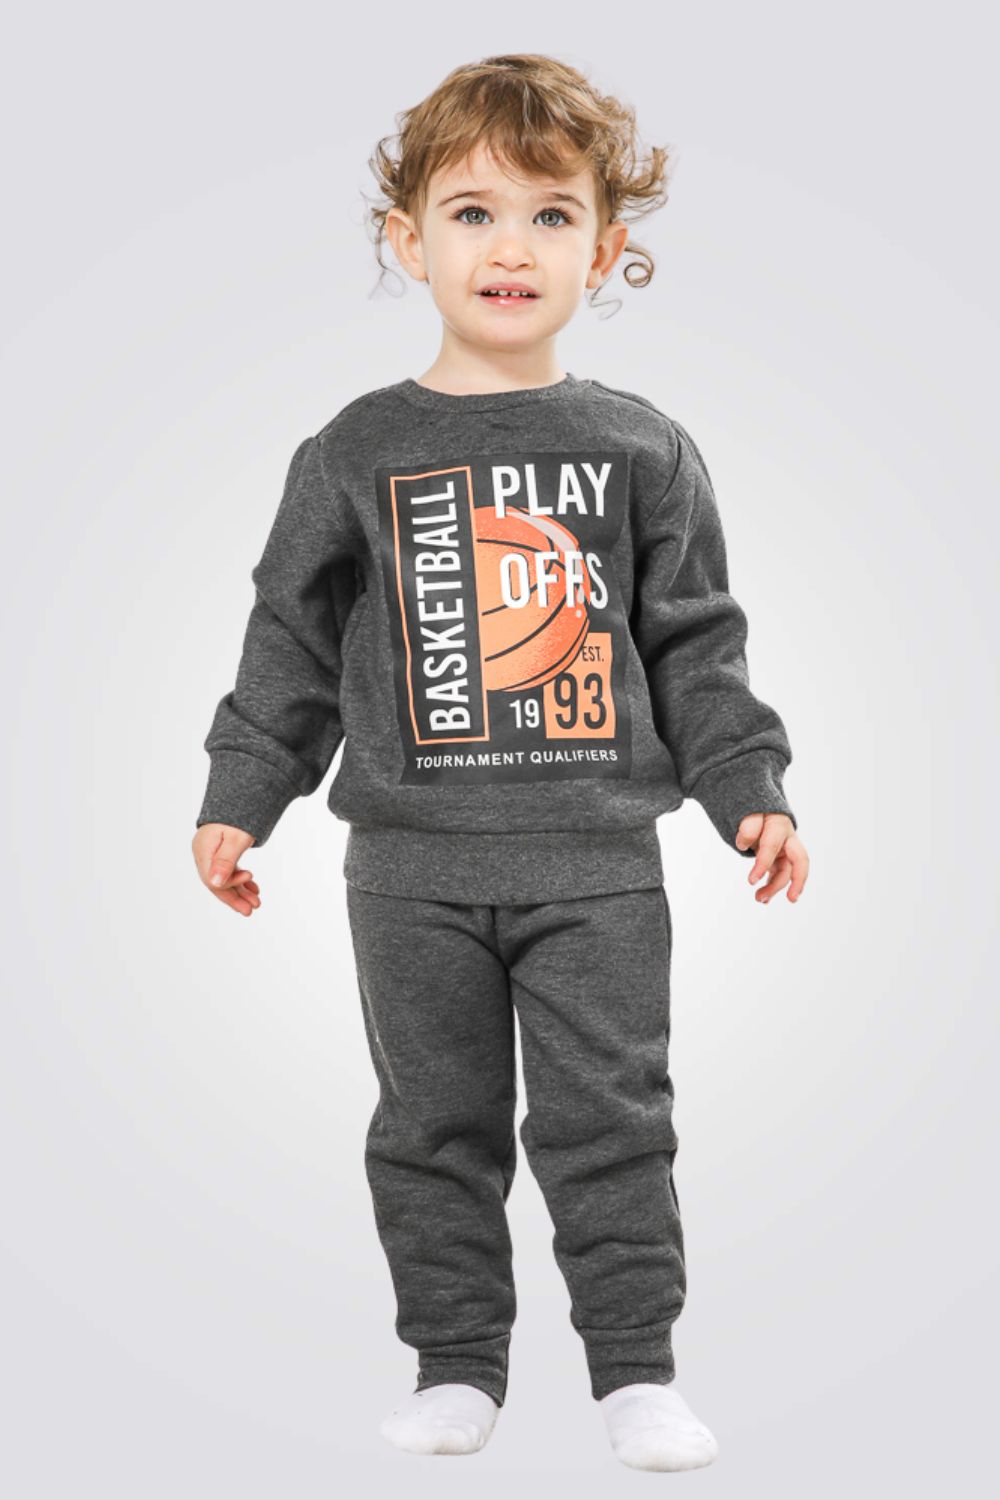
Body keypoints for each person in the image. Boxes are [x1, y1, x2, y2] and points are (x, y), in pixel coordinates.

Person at [191, 53, 809, 1472]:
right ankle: (457, 1365)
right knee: (431, 1126)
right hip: (408, 875)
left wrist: (749, 791)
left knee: (613, 1123)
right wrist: (242, 795)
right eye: (472, 213)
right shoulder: (353, 451)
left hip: (598, 869)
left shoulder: (639, 447)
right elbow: (290, 641)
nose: (510, 247)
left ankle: (636, 1372)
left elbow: (697, 644)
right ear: (408, 241)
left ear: (606, 245)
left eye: (550, 214)